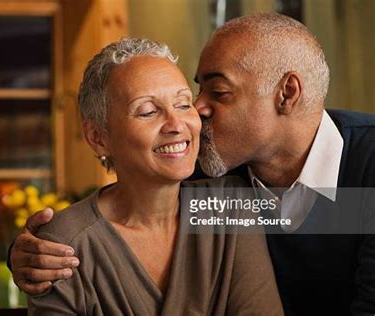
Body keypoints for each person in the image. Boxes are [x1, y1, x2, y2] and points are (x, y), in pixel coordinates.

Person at [11, 13, 375, 315]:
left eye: (218, 93)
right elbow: (126, 204)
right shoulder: (209, 169)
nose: (194, 114)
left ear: (287, 94)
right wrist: (26, 253)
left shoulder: (366, 166)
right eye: (196, 94)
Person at [27, 37, 282, 315]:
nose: (176, 124)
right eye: (148, 111)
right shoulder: (63, 244)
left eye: (184, 104)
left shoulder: (229, 206)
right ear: (98, 137)